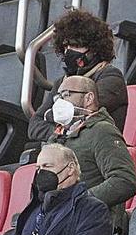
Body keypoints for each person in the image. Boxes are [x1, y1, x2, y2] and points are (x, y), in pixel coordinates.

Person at [29, 8, 128, 141]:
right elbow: (34, 126)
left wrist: (51, 115)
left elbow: (81, 112)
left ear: (94, 49)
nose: (68, 52)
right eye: (65, 47)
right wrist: (61, 132)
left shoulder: (110, 76)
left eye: (75, 46)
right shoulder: (61, 83)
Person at [45, 74, 136, 215]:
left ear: (89, 98)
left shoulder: (101, 131)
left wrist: (78, 202)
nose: (59, 103)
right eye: (58, 97)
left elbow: (124, 180)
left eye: (66, 95)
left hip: (94, 225)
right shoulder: (55, 138)